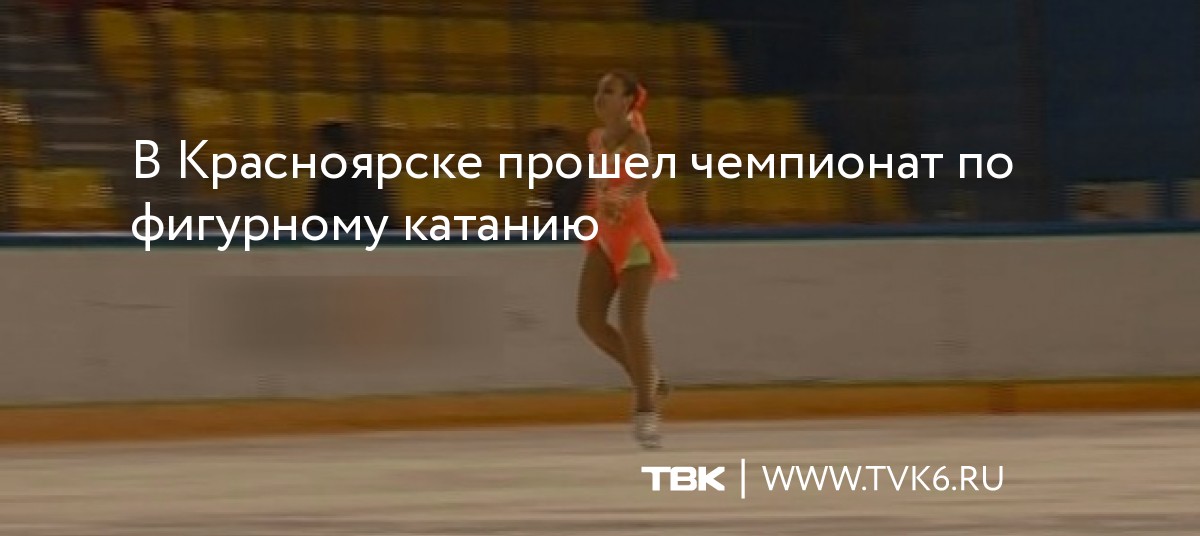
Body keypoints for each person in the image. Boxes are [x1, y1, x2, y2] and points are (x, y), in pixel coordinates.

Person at [576, 70, 677, 449]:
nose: (600, 96)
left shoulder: (637, 139)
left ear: (628, 101)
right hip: (605, 235)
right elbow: (599, 185)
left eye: (609, 91)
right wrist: (595, 207)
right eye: (598, 90)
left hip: (635, 238)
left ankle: (646, 410)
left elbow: (648, 173)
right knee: (589, 320)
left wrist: (625, 195)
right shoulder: (595, 139)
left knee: (630, 323)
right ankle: (649, 376)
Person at [310, 121, 389, 226]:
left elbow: (330, 224)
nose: (314, 154)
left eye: (316, 147)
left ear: (328, 148)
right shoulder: (368, 176)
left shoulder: (333, 181)